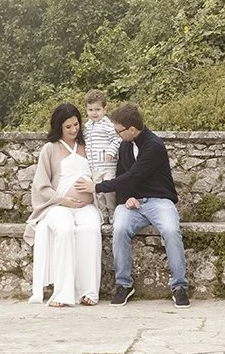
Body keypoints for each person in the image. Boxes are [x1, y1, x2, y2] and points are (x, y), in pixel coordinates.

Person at [77, 102, 189, 308]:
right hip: (133, 203)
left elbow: (134, 175)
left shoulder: (154, 146)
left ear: (131, 129)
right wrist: (126, 197)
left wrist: (97, 186)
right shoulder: (125, 144)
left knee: (171, 230)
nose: (116, 135)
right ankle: (124, 285)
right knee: (119, 229)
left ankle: (179, 286)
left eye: (119, 131)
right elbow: (123, 176)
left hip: (159, 200)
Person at [23, 102, 102, 307]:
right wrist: (64, 200)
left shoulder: (88, 146)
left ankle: (89, 291)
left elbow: (101, 172)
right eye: (68, 127)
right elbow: (41, 186)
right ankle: (62, 293)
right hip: (58, 206)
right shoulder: (50, 149)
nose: (74, 130)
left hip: (86, 206)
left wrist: (93, 186)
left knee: (91, 230)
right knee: (65, 230)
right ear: (58, 127)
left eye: (76, 124)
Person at [83, 89, 120, 225]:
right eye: (91, 110)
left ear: (105, 109)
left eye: (97, 109)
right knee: (97, 192)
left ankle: (112, 212)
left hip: (108, 165)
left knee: (109, 191)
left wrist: (111, 151)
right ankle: (102, 213)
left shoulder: (108, 126)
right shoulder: (87, 127)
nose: (94, 113)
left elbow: (117, 139)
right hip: (94, 166)